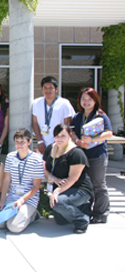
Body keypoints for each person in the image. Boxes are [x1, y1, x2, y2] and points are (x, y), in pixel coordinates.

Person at [0, 128, 44, 233]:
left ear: (29, 142)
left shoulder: (36, 160)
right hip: (12, 197)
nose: (19, 145)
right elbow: (6, 179)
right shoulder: (10, 157)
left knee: (13, 227)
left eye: (22, 142)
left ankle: (33, 215)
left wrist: (22, 200)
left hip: (28, 200)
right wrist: (2, 201)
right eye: (17, 142)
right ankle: (17, 215)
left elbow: (36, 186)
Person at [71, 88, 112, 224]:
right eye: (83, 99)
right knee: (85, 185)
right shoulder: (78, 117)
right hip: (83, 156)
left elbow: (109, 133)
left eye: (89, 99)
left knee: (98, 185)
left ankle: (101, 213)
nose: (86, 102)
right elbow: (72, 132)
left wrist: (92, 140)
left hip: (97, 156)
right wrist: (78, 141)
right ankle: (86, 211)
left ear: (95, 100)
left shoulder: (101, 116)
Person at [44, 124, 94, 233]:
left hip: (79, 189)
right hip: (63, 188)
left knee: (58, 203)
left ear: (70, 135)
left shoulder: (76, 153)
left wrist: (57, 191)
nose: (59, 138)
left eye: (63, 136)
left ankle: (82, 219)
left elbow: (73, 179)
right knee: (61, 220)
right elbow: (44, 170)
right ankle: (81, 207)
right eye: (57, 136)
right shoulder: (50, 148)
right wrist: (55, 179)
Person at [32, 76, 75, 154]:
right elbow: (34, 123)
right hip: (43, 144)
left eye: (51, 88)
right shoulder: (36, 103)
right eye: (45, 87)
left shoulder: (64, 103)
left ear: (56, 89)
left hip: (60, 144)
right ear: (42, 89)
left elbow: (68, 125)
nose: (48, 90)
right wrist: (40, 141)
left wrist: (60, 141)